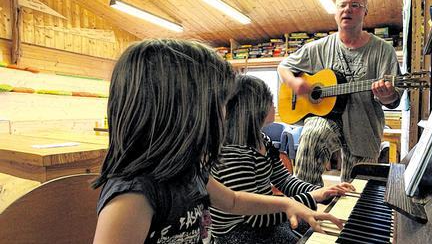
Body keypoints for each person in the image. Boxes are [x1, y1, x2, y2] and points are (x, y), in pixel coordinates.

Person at [91, 39, 343, 244]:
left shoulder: (188, 170)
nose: (225, 113)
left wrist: (288, 203)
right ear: (182, 112)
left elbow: (233, 200)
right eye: (220, 103)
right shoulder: (134, 196)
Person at [277, 0, 402, 186]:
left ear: (365, 12)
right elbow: (283, 67)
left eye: (355, 5)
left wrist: (386, 95)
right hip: (326, 118)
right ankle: (306, 207)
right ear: (335, 13)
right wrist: (294, 82)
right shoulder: (319, 47)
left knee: (357, 188)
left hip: (364, 125)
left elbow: (393, 98)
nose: (347, 10)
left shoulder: (383, 50)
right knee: (311, 137)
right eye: (342, 5)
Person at [210, 75, 355, 244]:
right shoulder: (233, 153)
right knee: (314, 233)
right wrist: (312, 196)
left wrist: (323, 192)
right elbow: (255, 217)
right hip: (240, 233)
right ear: (254, 107)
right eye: (270, 100)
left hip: (265, 220)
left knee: (320, 225)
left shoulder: (262, 140)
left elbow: (284, 179)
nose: (274, 105)